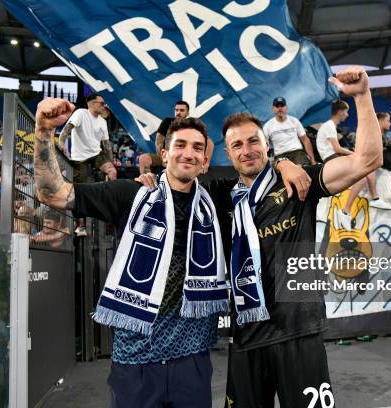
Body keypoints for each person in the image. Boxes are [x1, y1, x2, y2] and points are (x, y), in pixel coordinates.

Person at [34, 97, 307, 407]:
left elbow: (254, 167)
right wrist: (43, 130)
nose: (188, 153)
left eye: (197, 148)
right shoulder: (131, 193)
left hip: (192, 361)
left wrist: (283, 162)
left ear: (206, 161)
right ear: (164, 154)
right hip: (135, 361)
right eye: (180, 146)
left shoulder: (218, 199)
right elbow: (52, 193)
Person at [222, 66, 382, 407]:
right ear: (228, 154)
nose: (246, 149)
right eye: (237, 144)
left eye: (253, 141)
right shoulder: (222, 197)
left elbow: (367, 161)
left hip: (298, 332)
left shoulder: (300, 183)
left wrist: (362, 97)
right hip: (246, 337)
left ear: (267, 144)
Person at [317, 101, 391, 230]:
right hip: (331, 158)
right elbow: (337, 148)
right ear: (340, 112)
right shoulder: (329, 125)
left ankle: (373, 198)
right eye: (346, 112)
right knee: (363, 172)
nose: (347, 115)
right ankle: (348, 210)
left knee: (366, 170)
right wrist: (356, 153)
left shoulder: (329, 126)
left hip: (332, 157)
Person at [58, 93, 117, 236]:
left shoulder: (102, 121)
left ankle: (108, 206)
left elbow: (106, 145)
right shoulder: (81, 113)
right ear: (91, 104)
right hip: (79, 158)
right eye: (101, 103)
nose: (104, 106)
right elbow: (67, 129)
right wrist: (61, 142)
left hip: (96, 155)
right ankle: (81, 225)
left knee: (113, 172)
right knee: (80, 189)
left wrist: (110, 162)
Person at [138, 100, 214, 174]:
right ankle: (147, 179)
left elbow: (210, 143)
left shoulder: (191, 125)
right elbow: (158, 141)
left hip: (183, 156)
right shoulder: (167, 121)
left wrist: (206, 163)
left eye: (182, 110)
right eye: (176, 110)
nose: (178, 113)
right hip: (166, 156)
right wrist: (163, 159)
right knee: (144, 158)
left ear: (187, 113)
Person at [264, 97, 317, 166]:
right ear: (273, 109)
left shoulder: (294, 121)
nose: (280, 108)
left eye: (282, 106)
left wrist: (312, 159)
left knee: (300, 168)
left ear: (286, 108)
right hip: (280, 155)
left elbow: (305, 140)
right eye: (277, 106)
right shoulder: (268, 125)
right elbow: (264, 143)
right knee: (286, 172)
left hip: (297, 153)